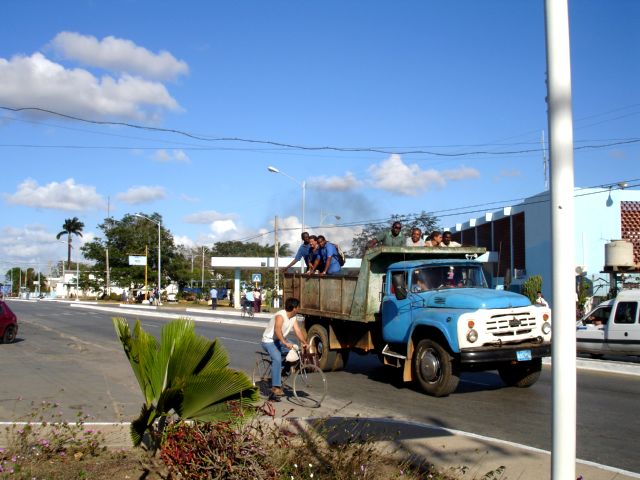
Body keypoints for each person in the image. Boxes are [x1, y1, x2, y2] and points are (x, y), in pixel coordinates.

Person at [261, 297, 308, 397]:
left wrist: (304, 342)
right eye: (298, 307)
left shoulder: (293, 317)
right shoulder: (280, 316)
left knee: (295, 350)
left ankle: (280, 370)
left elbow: (298, 331)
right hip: (268, 341)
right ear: (294, 308)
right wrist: (285, 343)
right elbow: (277, 330)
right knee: (277, 357)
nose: (299, 309)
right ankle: (275, 387)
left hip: (279, 341)